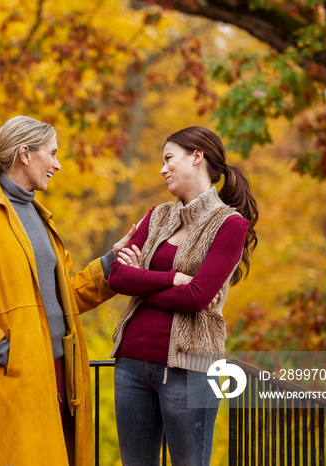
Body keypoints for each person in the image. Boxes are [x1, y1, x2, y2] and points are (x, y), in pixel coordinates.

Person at [0, 115, 136, 466]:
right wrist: (5, 350)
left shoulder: (40, 215)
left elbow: (59, 299)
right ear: (25, 154)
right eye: (52, 153)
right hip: (13, 375)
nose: (58, 164)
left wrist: (109, 265)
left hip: (59, 370)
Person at [108, 126, 258, 466]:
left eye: (168, 158)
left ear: (197, 156)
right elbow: (117, 275)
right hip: (130, 363)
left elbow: (197, 297)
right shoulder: (156, 215)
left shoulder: (229, 225)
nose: (162, 169)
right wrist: (171, 278)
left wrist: (142, 282)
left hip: (190, 370)